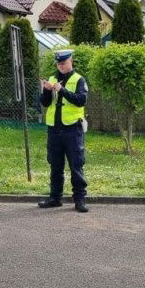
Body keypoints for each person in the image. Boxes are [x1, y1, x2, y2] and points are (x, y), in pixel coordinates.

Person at [38, 50, 90, 213]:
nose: (61, 65)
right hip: (54, 129)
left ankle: (79, 200)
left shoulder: (79, 79)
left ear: (71, 62)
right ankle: (55, 198)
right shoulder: (53, 79)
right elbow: (45, 103)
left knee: (76, 165)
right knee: (55, 165)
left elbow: (81, 101)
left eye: (64, 63)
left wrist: (62, 90)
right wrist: (46, 90)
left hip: (72, 130)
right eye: (59, 63)